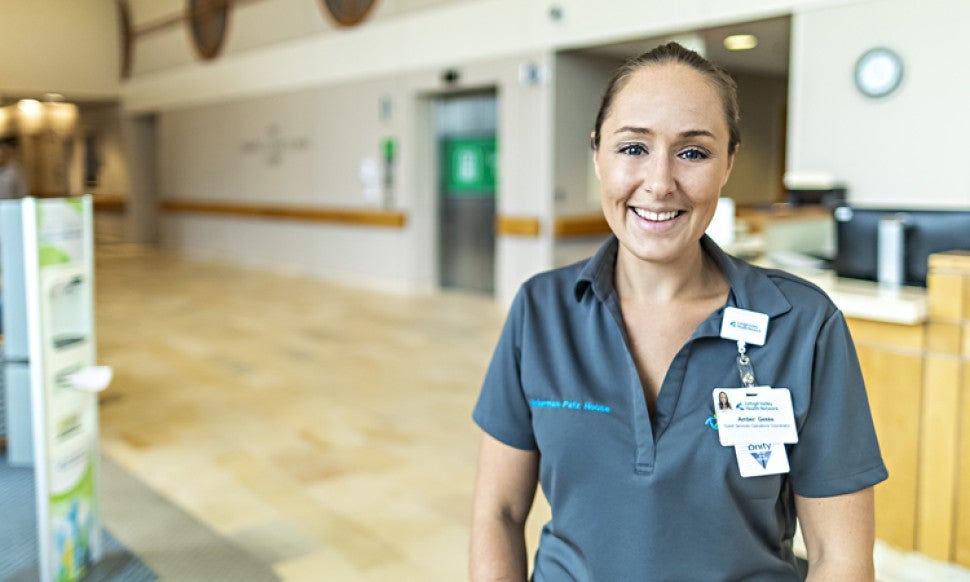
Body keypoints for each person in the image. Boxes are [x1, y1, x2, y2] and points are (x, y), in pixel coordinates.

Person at [470, 42, 887, 581]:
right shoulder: (540, 312)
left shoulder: (803, 326)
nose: (660, 182)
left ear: (728, 163)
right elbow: (497, 514)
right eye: (632, 148)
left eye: (693, 153)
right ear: (597, 153)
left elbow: (842, 558)